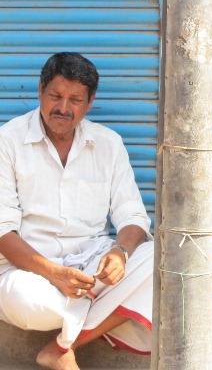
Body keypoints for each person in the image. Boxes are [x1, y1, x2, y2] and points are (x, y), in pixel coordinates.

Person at [0, 53, 153, 370]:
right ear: (40, 90)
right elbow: (2, 230)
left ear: (90, 102)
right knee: (30, 302)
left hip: (90, 264)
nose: (63, 108)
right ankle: (101, 306)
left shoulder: (108, 144)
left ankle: (62, 347)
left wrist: (120, 253)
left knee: (161, 258)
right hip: (28, 269)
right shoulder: (7, 141)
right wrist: (54, 274)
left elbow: (133, 216)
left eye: (75, 100)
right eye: (55, 96)